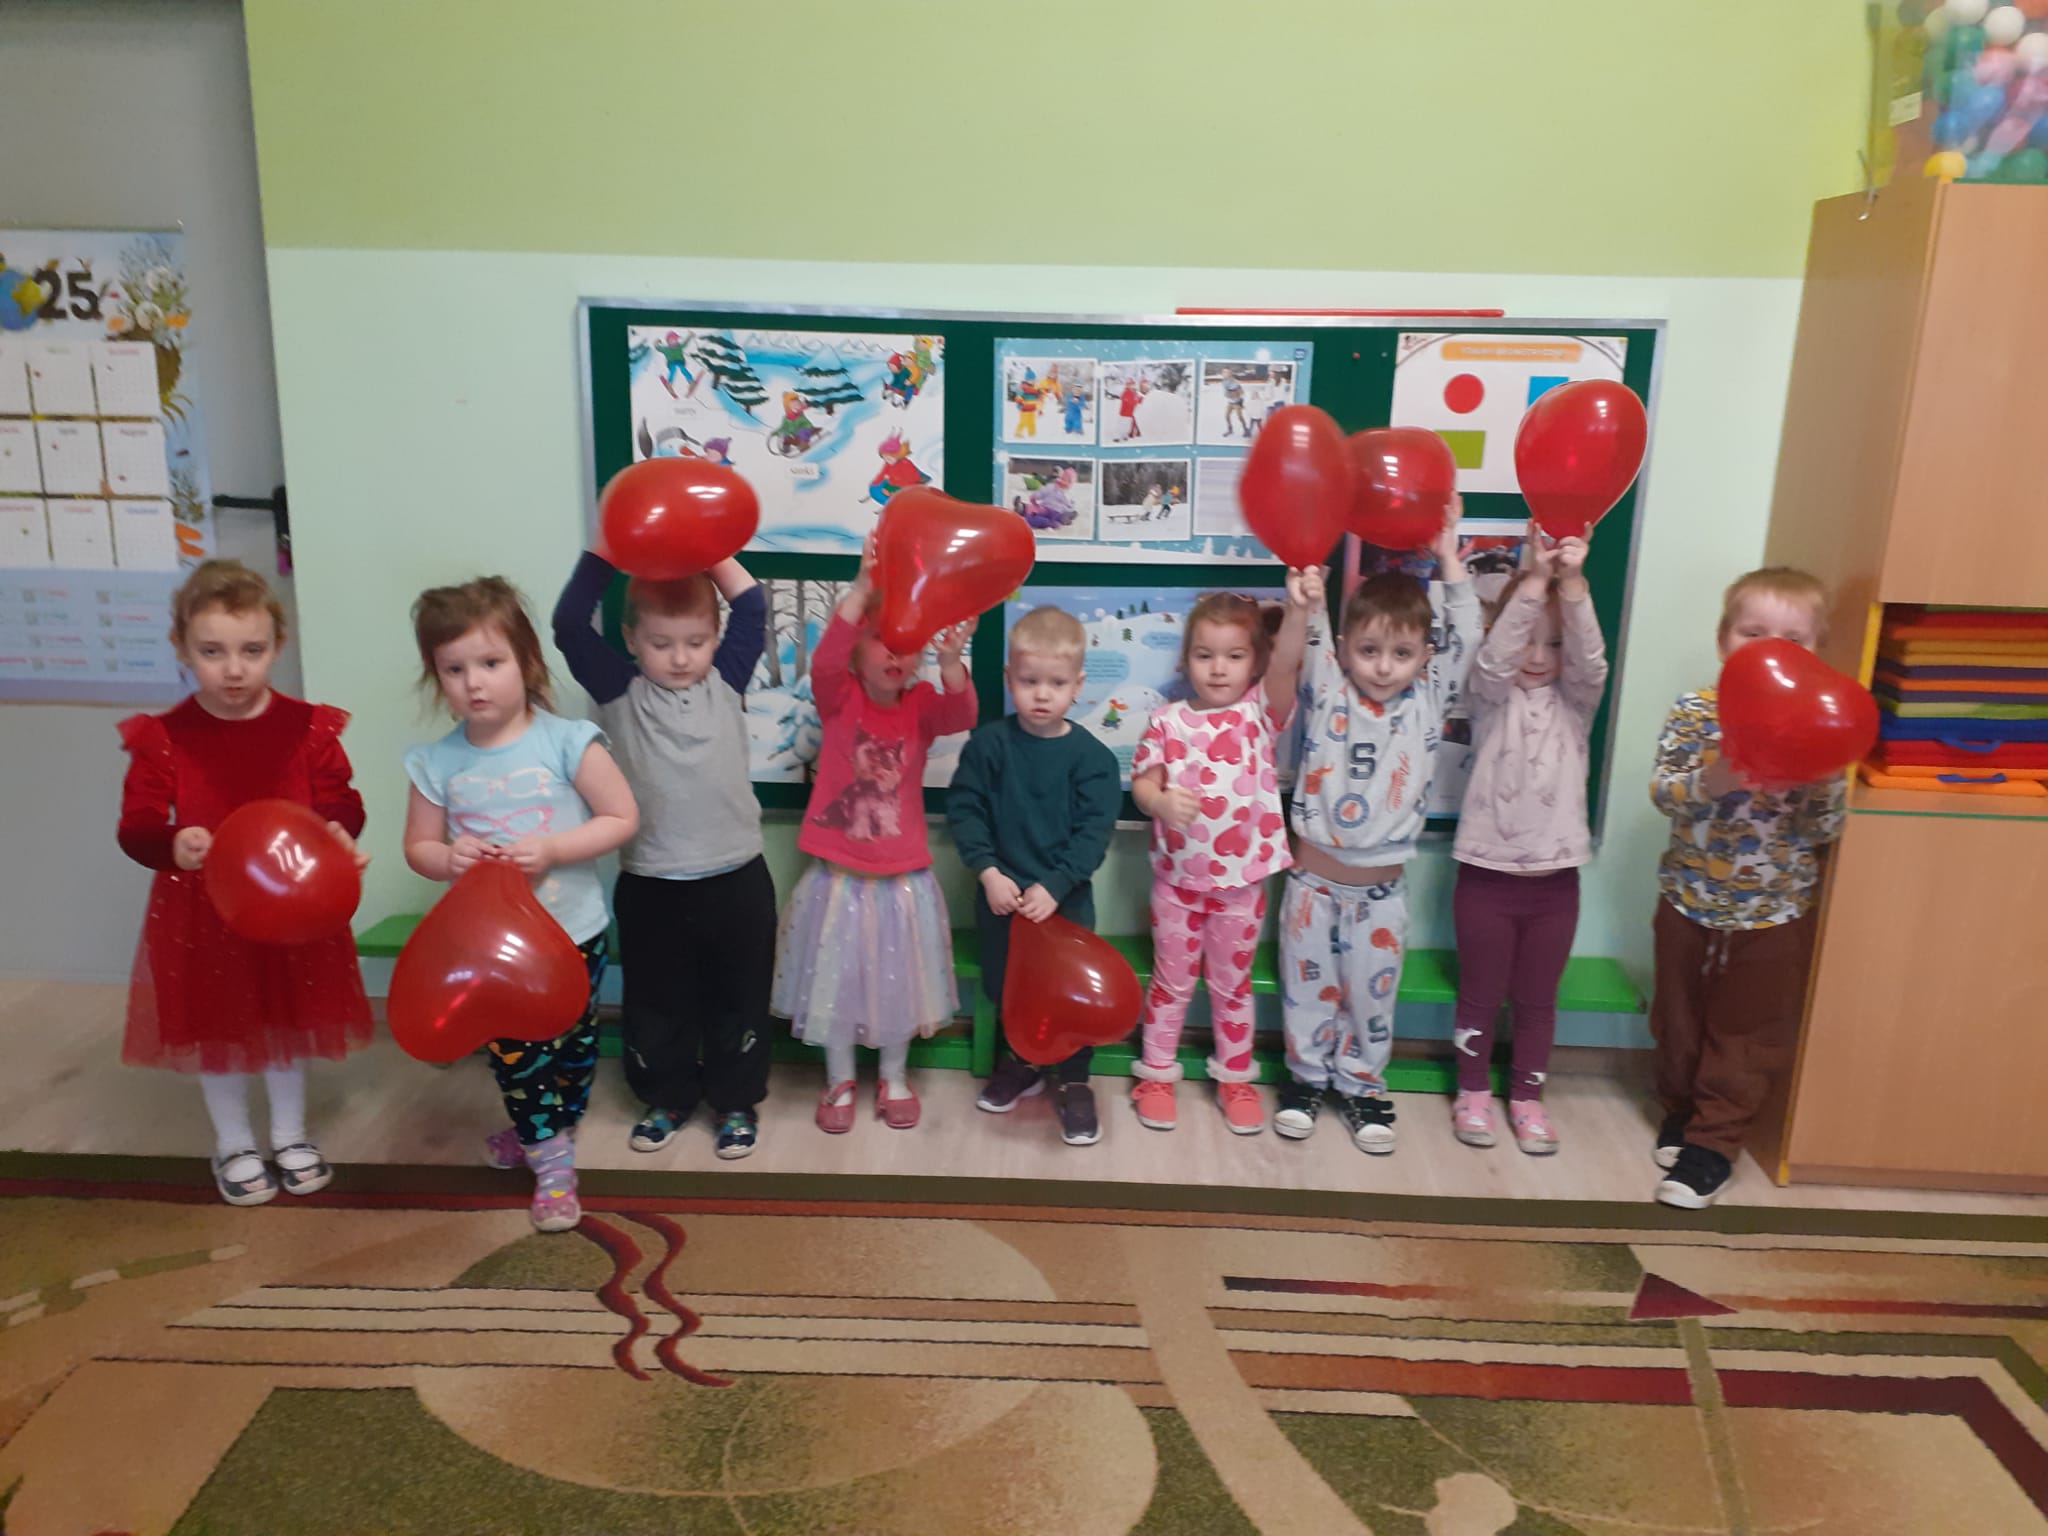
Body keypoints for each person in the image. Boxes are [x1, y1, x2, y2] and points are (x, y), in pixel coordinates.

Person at [115, 560, 374, 1207]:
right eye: (212, 652)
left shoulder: (309, 728)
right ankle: (233, 1142)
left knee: (286, 1021)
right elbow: (136, 825)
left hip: (289, 906)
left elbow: (342, 802)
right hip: (203, 912)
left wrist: (338, 831)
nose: (233, 670)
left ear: (276, 647)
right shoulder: (165, 737)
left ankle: (289, 1136)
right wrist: (175, 843)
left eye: (251, 651)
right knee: (220, 1032)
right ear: (181, 649)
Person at [403, 577, 638, 1232]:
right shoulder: (437, 762)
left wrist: (554, 848)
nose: (473, 683)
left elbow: (622, 817)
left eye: (490, 662)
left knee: (573, 1049)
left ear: (527, 662)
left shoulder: (568, 742)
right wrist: (447, 857)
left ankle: (548, 1126)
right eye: (454, 669)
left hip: (574, 934)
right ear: (436, 677)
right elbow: (417, 847)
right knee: (516, 1054)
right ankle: (552, 1162)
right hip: (490, 953)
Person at [552, 549, 773, 1161]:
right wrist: (603, 554)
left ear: (715, 639)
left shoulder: (726, 679)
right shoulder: (619, 691)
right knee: (657, 1001)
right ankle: (667, 1097)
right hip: (653, 882)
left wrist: (710, 550)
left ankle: (735, 1101)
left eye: (695, 642)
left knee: (739, 996)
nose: (680, 658)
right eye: (661, 643)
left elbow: (752, 605)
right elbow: (569, 625)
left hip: (737, 877)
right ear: (631, 640)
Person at [1274, 498, 1475, 1154]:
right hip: (1312, 885)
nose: (1383, 665)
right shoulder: (1330, 690)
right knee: (1308, 992)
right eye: (1368, 649)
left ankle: (1361, 1086)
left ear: (1424, 657)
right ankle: (1306, 1079)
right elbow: (1303, 643)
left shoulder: (1428, 701)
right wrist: (1306, 600)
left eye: (1401, 652)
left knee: (1370, 999)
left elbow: (1465, 637)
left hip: (1380, 894)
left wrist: (1448, 557)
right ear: (1345, 649)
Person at [1646, 567, 1844, 1209]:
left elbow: (1825, 828)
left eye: (1794, 639)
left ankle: (1714, 1143)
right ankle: (1682, 1110)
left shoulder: (1821, 724)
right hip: (1687, 900)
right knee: (1677, 1018)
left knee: (1747, 1034)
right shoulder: (1696, 712)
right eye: (1752, 633)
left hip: (1772, 914)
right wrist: (1715, 778)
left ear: (1817, 651)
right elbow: (1664, 793)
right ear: (1723, 639)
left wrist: (1816, 779)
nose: (1770, 651)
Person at [773, 534, 977, 1132]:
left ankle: (893, 1075)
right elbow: (824, 663)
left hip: (900, 883)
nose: (897, 655)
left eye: (907, 646)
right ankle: (838, 1079)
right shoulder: (839, 698)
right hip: (837, 881)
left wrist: (949, 662)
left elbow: (962, 713)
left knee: (898, 989)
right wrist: (862, 589)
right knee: (834, 987)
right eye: (883, 641)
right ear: (858, 651)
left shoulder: (920, 705)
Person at [1449, 526, 1606, 1156]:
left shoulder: (1576, 705)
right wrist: (1536, 579)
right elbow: (1494, 660)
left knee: (1538, 1000)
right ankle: (1471, 1092)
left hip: (1555, 883)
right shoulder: (1490, 698)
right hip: (1484, 878)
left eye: (1555, 643)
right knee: (1480, 995)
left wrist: (1573, 584)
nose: (1538, 655)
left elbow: (1591, 663)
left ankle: (1527, 1097)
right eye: (1527, 640)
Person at [1128, 593, 1305, 1133]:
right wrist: (1159, 802)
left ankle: (1235, 1078)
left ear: (1254, 662)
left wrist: (1300, 611)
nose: (1219, 668)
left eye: (1234, 656)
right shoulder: (1166, 722)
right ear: (1186, 660)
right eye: (1205, 655)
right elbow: (1142, 785)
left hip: (1240, 889)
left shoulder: (1259, 714)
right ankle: (1156, 1073)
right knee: (1171, 983)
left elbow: (1287, 663)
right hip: (1177, 886)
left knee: (1232, 987)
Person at [949, 607, 1121, 1145]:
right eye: (1028, 681)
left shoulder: (1094, 759)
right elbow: (965, 812)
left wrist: (1057, 884)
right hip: (1001, 900)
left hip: (1064, 904)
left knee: (1071, 993)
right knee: (1008, 986)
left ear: (1078, 685)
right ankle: (1022, 1063)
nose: (1042, 694)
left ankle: (1073, 1080)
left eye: (1057, 683)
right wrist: (988, 872)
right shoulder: (988, 746)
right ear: (1009, 678)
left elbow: (1094, 833)